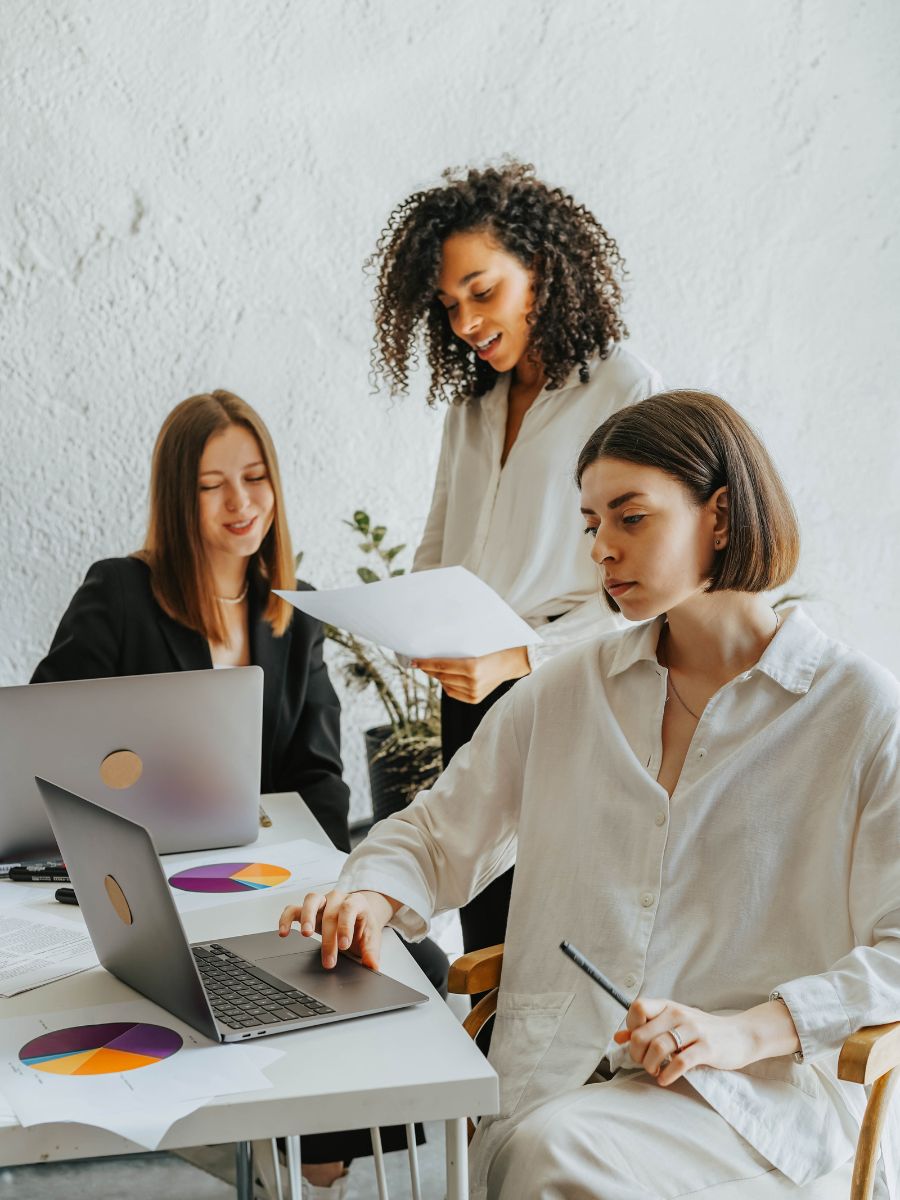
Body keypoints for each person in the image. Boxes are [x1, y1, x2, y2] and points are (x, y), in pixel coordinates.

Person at [279, 391, 900, 1199]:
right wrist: (367, 894)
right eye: (590, 523)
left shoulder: (857, 711)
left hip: (759, 1105)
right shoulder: (567, 691)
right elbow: (437, 834)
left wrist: (743, 1032)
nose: (601, 549)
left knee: (553, 1156)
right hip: (564, 1074)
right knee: (547, 1145)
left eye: (630, 518)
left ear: (720, 515)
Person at [32, 389, 446, 1198]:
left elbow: (320, 774)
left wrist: (312, 869)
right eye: (212, 484)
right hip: (145, 877)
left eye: (255, 477)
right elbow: (50, 744)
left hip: (261, 875)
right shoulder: (119, 593)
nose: (240, 502)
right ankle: (289, 1158)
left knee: (412, 962)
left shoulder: (292, 614)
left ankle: (317, 1163)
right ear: (177, 498)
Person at [368, 161, 663, 954]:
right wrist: (415, 627)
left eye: (482, 291)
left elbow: (645, 585)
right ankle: (494, 1077)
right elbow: (440, 543)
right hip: (471, 691)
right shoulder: (473, 404)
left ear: (539, 271)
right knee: (487, 938)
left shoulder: (621, 388)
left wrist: (522, 656)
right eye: (449, 303)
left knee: (559, 934)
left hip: (568, 686)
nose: (464, 319)